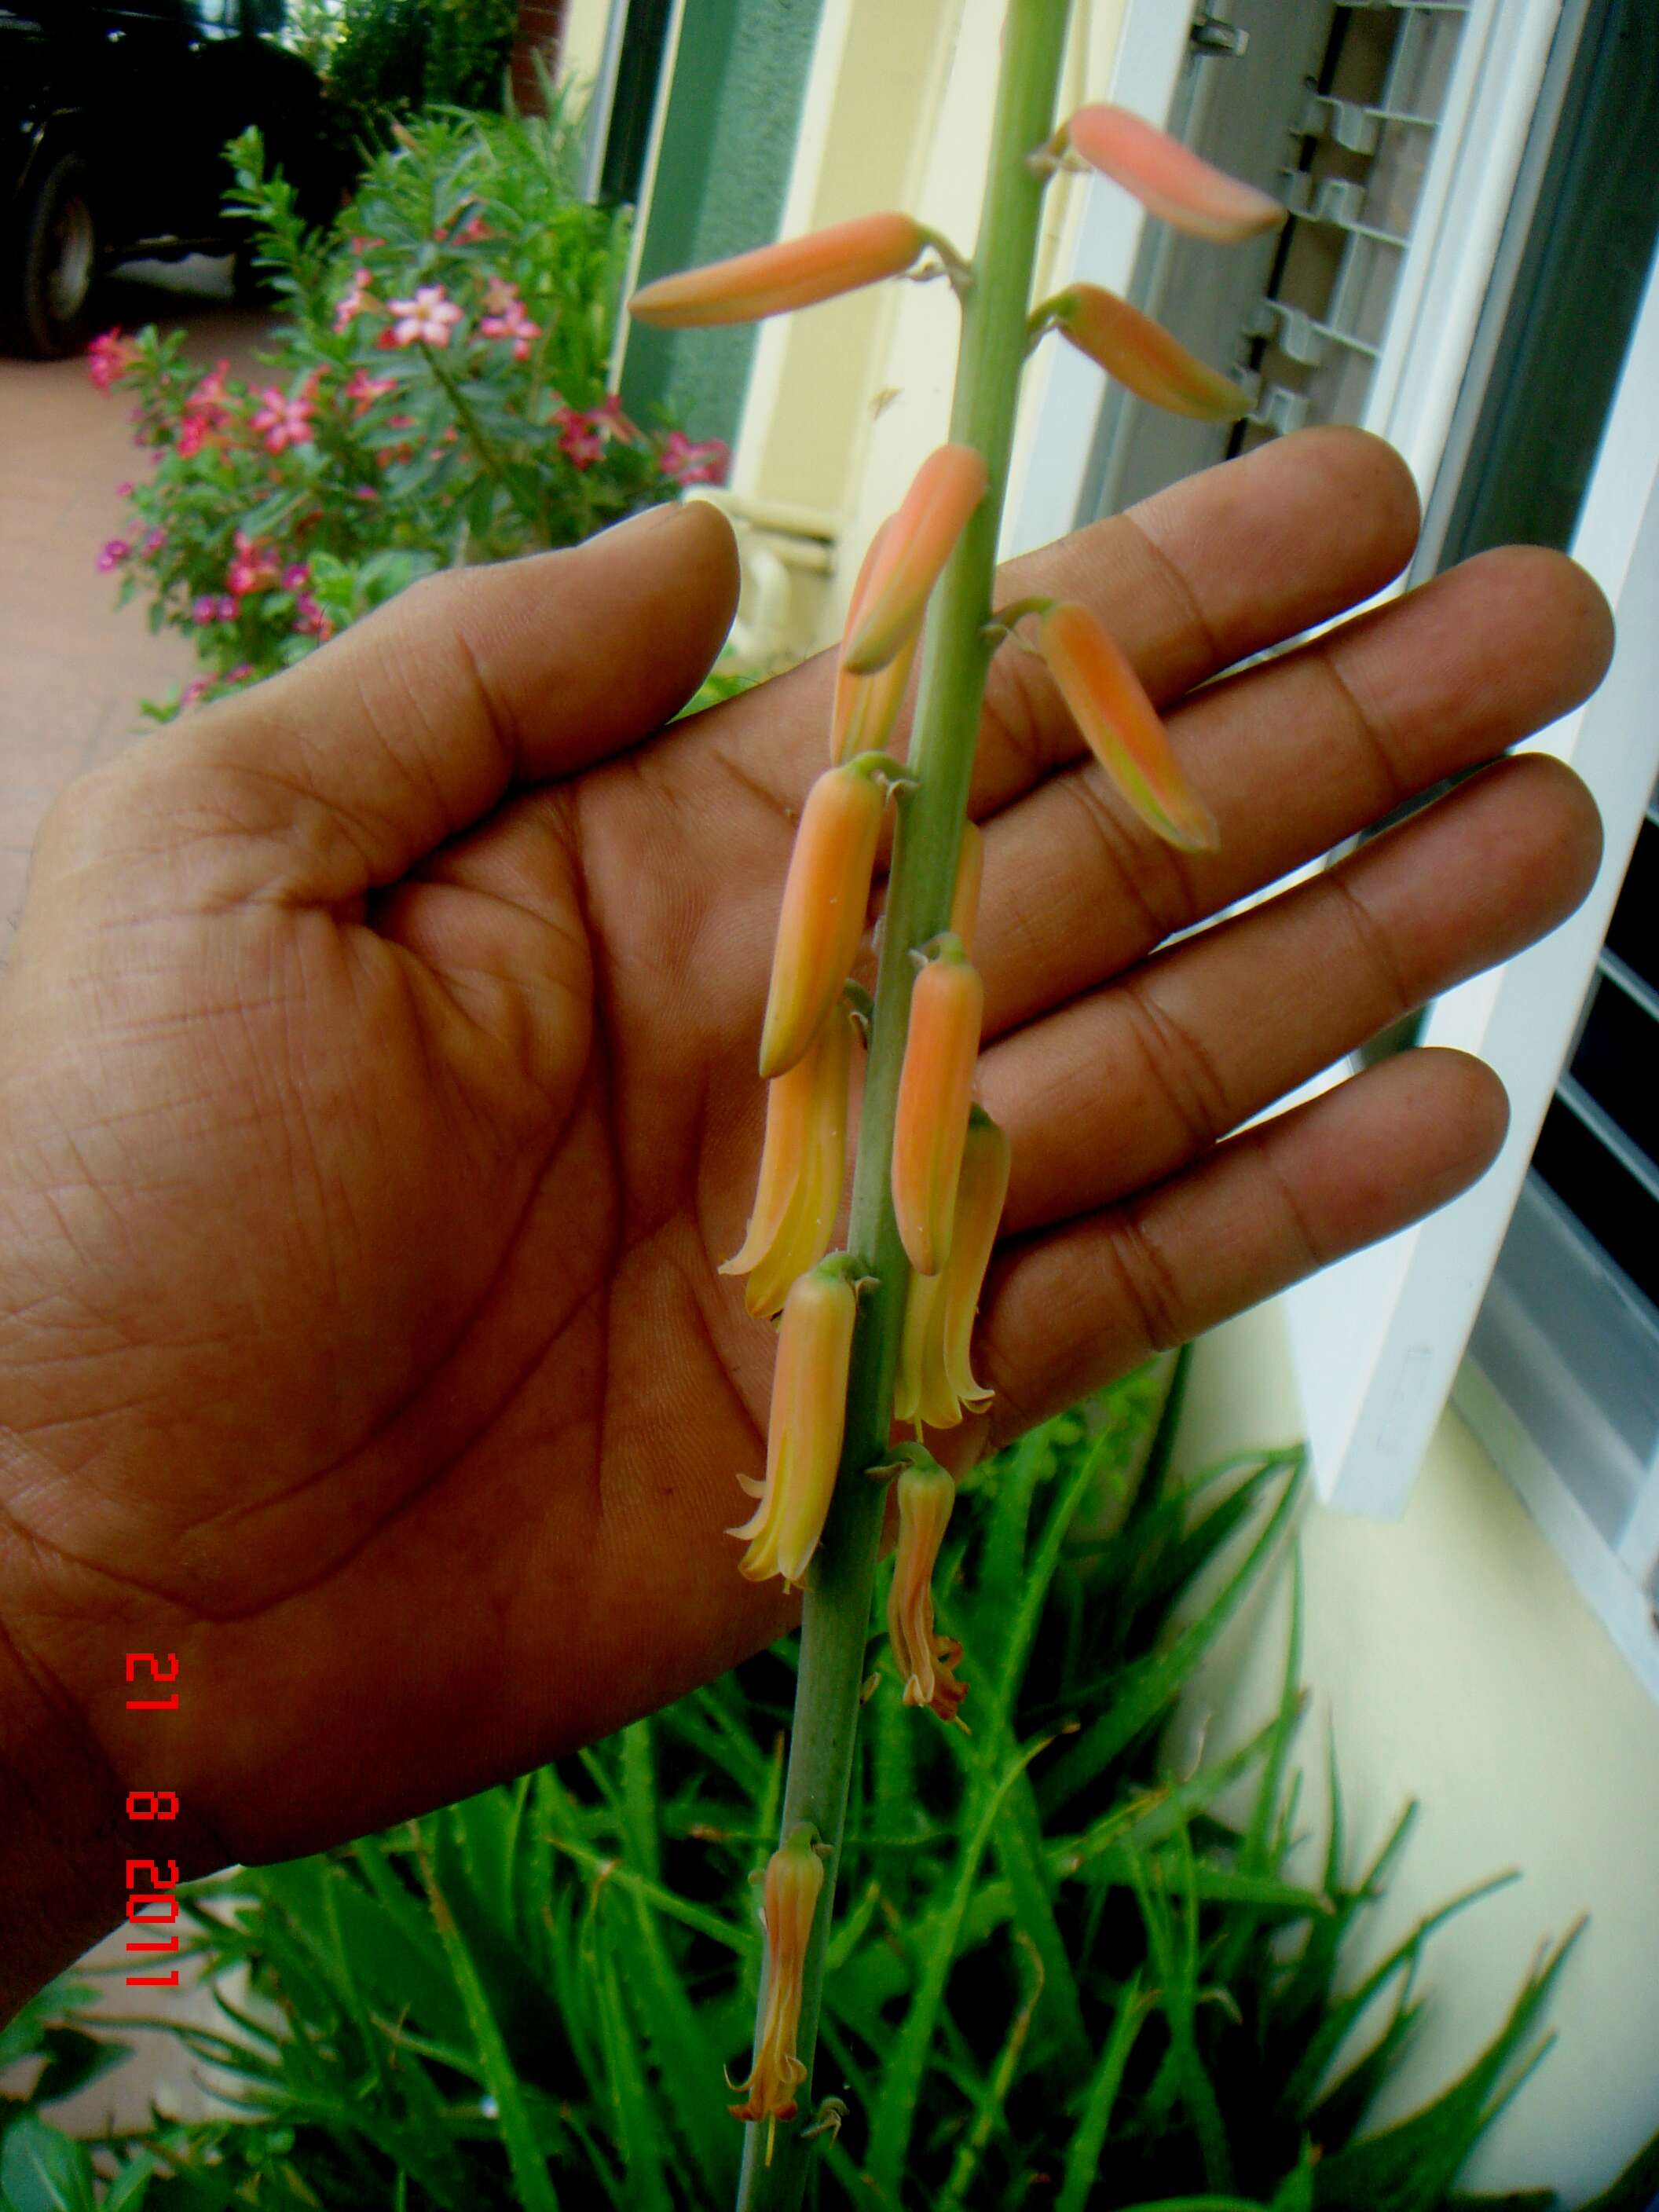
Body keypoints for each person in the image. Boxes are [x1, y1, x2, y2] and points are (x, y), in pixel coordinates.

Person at [0, 427, 1611, 2019]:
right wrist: (71, 1635)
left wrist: (85, 1670)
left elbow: (113, 1718)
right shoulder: (121, 1636)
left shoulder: (132, 1681)